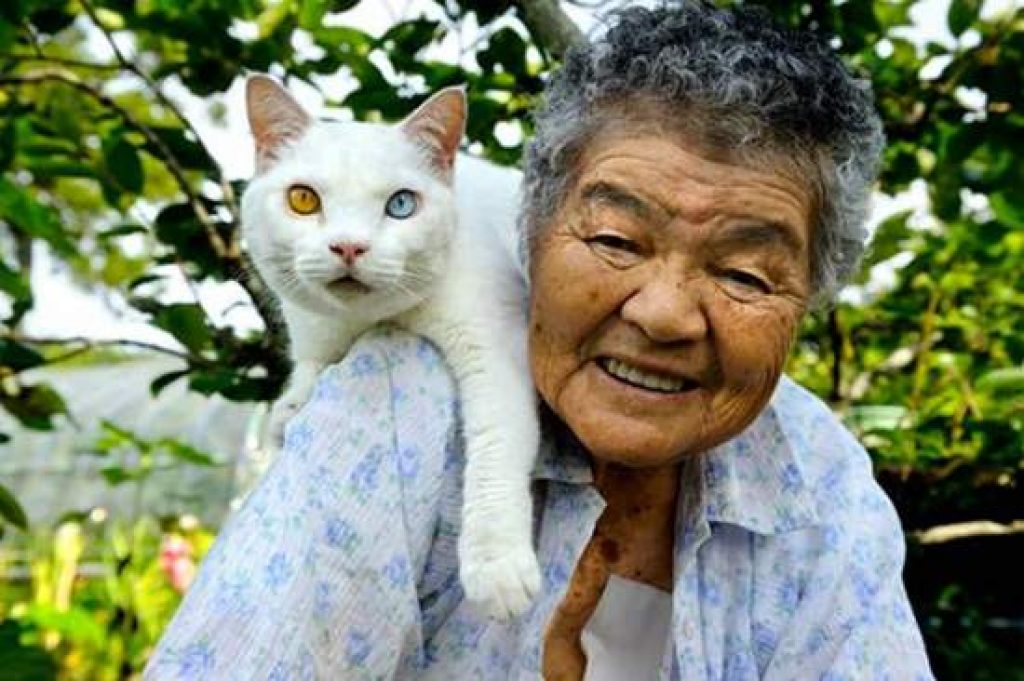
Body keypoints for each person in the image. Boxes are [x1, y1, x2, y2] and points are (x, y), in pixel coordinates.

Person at [145, 2, 934, 679]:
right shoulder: (392, 410)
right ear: (532, 230)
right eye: (619, 240)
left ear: (811, 301)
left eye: (744, 274)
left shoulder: (819, 483)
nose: (663, 314)